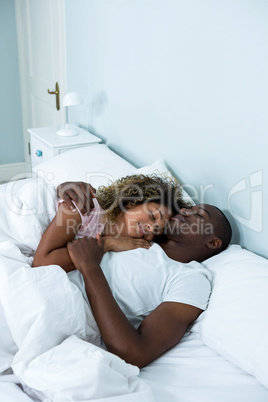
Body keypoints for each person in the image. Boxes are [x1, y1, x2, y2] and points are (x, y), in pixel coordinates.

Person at [60, 180, 232, 369]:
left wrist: (90, 269)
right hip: (45, 283)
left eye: (198, 215)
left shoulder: (192, 279)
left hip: (63, 315)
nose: (184, 212)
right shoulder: (141, 231)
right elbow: (105, 208)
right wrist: (66, 189)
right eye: (187, 209)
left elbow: (135, 353)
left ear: (213, 242)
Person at [33, 174, 191, 271]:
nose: (151, 228)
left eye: (157, 231)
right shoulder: (87, 208)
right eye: (152, 215)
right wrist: (107, 244)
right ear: (132, 202)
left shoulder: (132, 248)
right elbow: (41, 262)